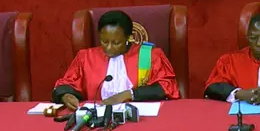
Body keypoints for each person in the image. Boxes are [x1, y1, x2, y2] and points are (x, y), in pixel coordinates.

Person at [52, 10, 181, 110]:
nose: (109, 47)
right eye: (104, 41)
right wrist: (66, 95)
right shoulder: (85, 57)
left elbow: (167, 86)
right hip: (97, 122)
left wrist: (129, 94)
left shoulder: (150, 55)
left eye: (116, 42)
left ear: (129, 38)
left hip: (140, 120)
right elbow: (67, 83)